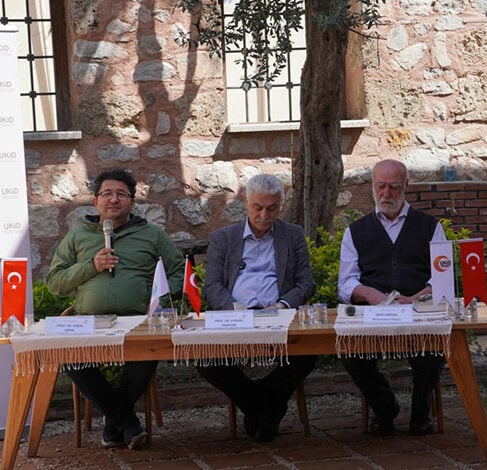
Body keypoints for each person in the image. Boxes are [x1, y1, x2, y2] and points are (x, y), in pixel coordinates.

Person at [46, 169, 184, 449]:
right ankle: (127, 424)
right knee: (71, 358)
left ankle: (115, 426)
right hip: (89, 324)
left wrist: (158, 296)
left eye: (121, 194)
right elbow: (55, 283)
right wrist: (91, 266)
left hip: (139, 323)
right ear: (95, 201)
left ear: (132, 202)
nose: (114, 199)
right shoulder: (77, 236)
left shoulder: (152, 235)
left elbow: (179, 270)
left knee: (148, 353)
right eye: (107, 193)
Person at [199, 173, 316, 443]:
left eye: (272, 208)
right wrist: (234, 309)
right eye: (258, 207)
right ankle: (266, 407)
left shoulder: (292, 235)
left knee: (309, 353)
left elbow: (305, 283)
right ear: (246, 202)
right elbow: (212, 286)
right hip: (236, 316)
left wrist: (283, 304)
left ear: (280, 205)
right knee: (206, 361)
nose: (264, 215)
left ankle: (257, 406)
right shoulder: (223, 238)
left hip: (279, 314)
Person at [338, 159, 446, 437]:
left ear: (406, 185)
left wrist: (416, 298)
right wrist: (370, 294)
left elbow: (442, 278)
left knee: (432, 352)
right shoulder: (355, 231)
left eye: (394, 187)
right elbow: (346, 283)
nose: (386, 194)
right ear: (372, 186)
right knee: (350, 354)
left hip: (418, 312)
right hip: (373, 315)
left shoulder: (431, 227)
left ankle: (421, 414)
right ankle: (385, 408)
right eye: (381, 186)